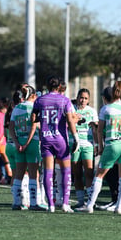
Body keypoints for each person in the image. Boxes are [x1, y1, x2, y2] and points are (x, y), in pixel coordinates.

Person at [79, 81, 121, 214]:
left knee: (99, 175)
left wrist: (100, 146)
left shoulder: (106, 109)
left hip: (113, 144)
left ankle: (90, 205)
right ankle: (119, 206)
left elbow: (99, 130)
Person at [22, 76, 79, 213]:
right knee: (66, 171)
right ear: (59, 87)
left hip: (46, 139)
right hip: (61, 139)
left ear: (47, 86)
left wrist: (42, 119)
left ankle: (50, 205)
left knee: (48, 172)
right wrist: (75, 137)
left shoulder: (40, 100)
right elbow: (71, 120)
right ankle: (65, 204)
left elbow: (33, 119)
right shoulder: (64, 100)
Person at [9, 85, 45, 210]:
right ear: (33, 96)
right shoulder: (34, 108)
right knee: (33, 174)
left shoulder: (16, 108)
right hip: (32, 143)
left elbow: (11, 128)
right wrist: (27, 143)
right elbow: (35, 127)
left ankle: (16, 202)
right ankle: (34, 203)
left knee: (18, 174)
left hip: (18, 142)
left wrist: (17, 143)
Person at [70, 88, 98, 208]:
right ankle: (81, 200)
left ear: (89, 100)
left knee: (89, 173)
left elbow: (95, 129)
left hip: (88, 145)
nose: (83, 100)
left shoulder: (91, 111)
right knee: (76, 173)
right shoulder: (71, 109)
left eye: (86, 98)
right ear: (77, 98)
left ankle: (91, 200)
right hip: (74, 144)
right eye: (81, 97)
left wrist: (97, 144)